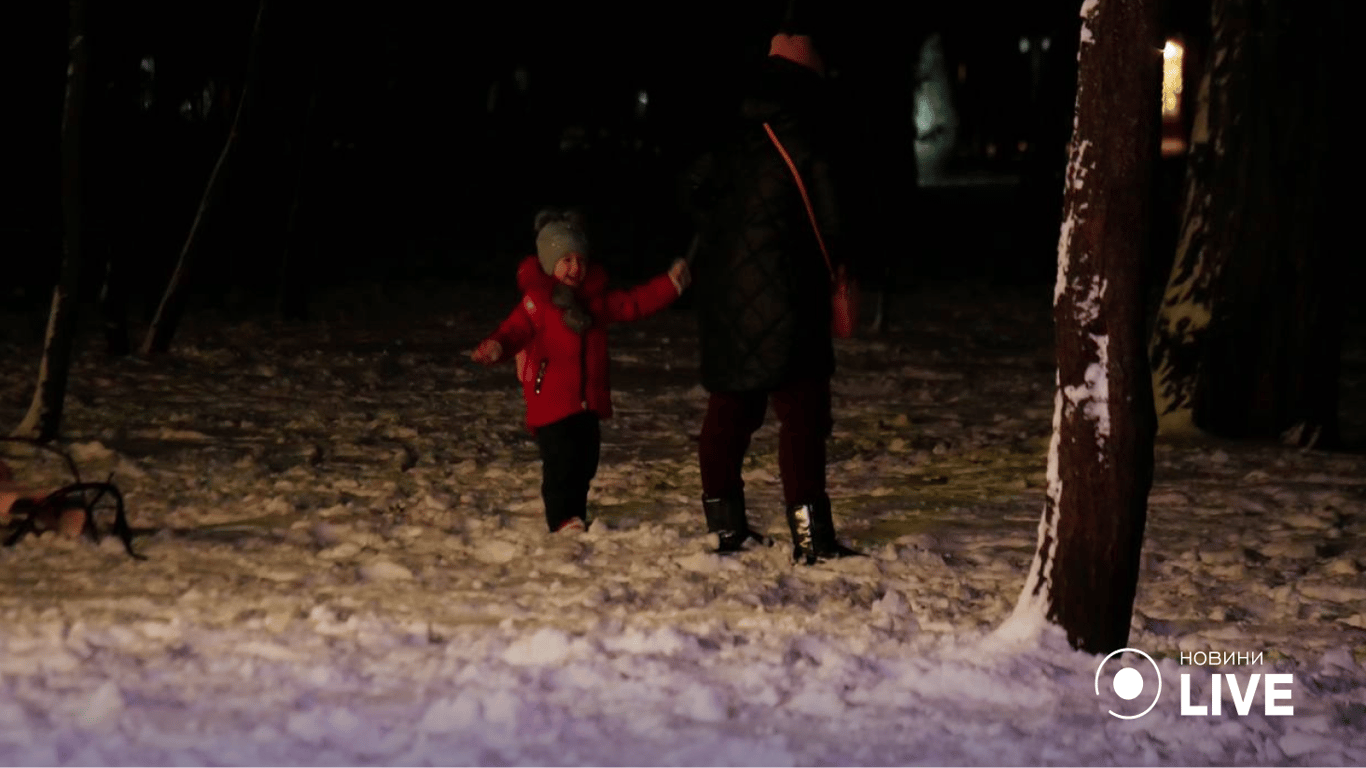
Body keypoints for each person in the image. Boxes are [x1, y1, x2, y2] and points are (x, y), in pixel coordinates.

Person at [681, 28, 860, 564]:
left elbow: (692, 191)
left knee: (729, 408)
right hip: (790, 292)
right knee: (802, 415)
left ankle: (725, 527)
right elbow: (833, 221)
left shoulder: (730, 129)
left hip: (725, 293)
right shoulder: (809, 132)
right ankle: (811, 538)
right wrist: (840, 270)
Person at [471, 209, 690, 533]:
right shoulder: (538, 302)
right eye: (566, 260)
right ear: (549, 264)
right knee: (560, 463)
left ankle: (575, 513)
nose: (575, 268)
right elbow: (514, 330)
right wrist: (497, 346)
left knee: (585, 461)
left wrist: (670, 285)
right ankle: (561, 519)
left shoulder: (595, 301)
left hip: (587, 401)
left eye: (580, 260)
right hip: (551, 401)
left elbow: (634, 303)